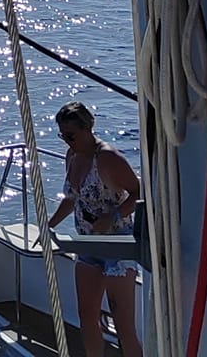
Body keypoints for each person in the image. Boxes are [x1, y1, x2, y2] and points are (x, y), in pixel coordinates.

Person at [45, 100, 145, 357]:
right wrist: (49, 225)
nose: (67, 141)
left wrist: (113, 216)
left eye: (71, 135)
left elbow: (138, 193)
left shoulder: (108, 158)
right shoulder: (72, 155)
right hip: (88, 244)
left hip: (117, 246)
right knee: (86, 315)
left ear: (87, 128)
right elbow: (71, 197)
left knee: (123, 325)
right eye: (62, 135)